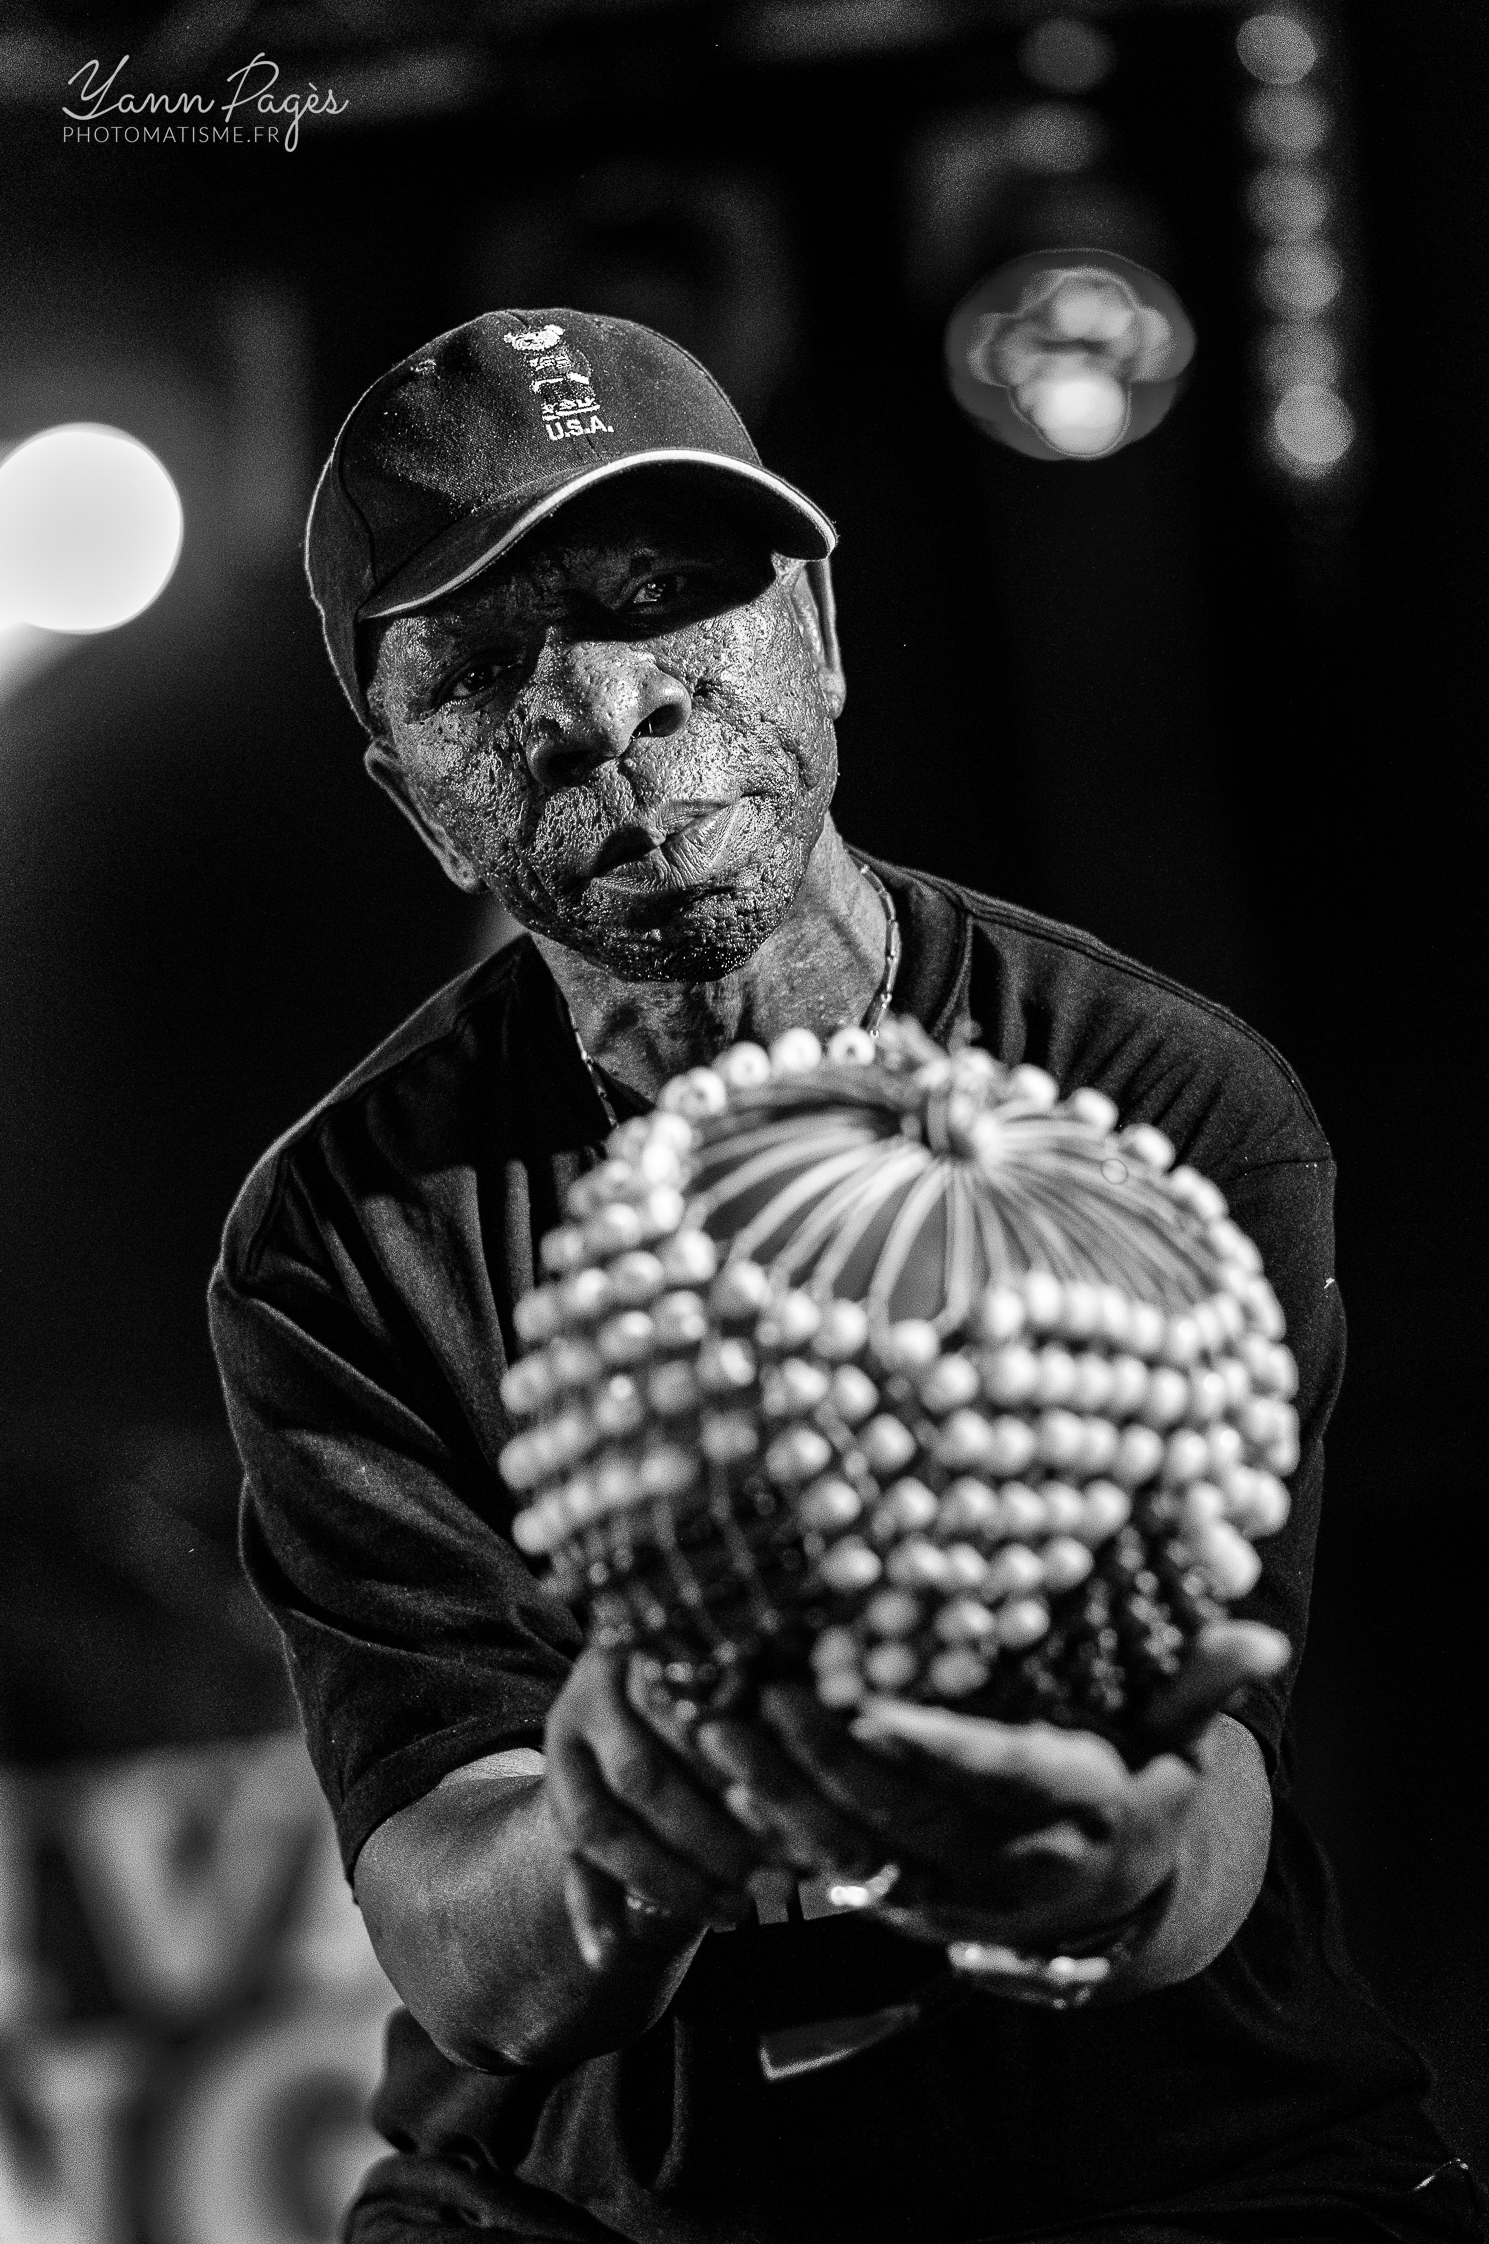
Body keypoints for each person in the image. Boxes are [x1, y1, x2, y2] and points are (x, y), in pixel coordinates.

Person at [209, 309, 1479, 2244]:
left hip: (1159, 2154)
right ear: (404, 788)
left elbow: (1203, 1787)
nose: (600, 702)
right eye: (477, 660)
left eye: (664, 595)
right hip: (610, 2199)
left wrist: (1112, 1874)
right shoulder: (342, 1234)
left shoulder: (1144, 1104)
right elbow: (461, 1936)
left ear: (816, 630)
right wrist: (632, 1830)